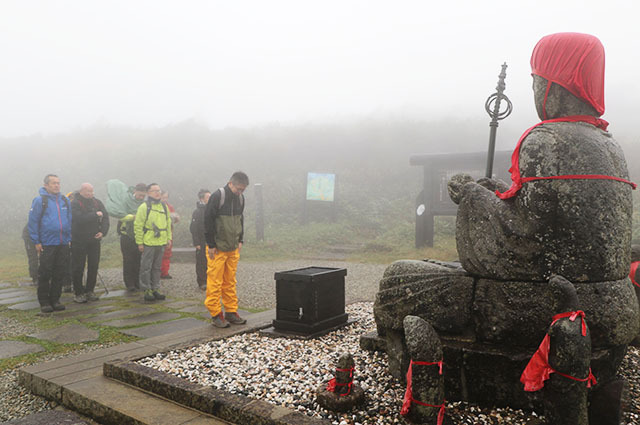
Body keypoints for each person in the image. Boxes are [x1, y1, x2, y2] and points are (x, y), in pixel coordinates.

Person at [204, 171, 249, 328]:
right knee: (215, 282)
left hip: (233, 247)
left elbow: (240, 219)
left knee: (230, 281)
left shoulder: (241, 199)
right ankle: (216, 314)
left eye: (243, 190)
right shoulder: (218, 196)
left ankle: (231, 311)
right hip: (217, 248)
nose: (240, 192)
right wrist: (210, 244)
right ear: (231, 183)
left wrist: (241, 239)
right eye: (238, 189)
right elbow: (208, 220)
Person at [27, 174, 72, 313]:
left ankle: (55, 299)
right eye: (53, 183)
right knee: (45, 272)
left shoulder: (65, 200)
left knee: (60, 272)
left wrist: (68, 238)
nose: (57, 185)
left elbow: (69, 220)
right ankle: (44, 301)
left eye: (58, 183)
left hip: (63, 242)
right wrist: (37, 241)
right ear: (46, 185)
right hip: (47, 242)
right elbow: (33, 222)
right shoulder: (40, 201)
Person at [70, 183, 110, 303]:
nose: (91, 194)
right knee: (78, 267)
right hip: (79, 240)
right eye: (88, 191)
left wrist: (103, 232)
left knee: (94, 266)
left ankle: (90, 291)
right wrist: (94, 214)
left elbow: (106, 218)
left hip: (94, 240)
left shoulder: (97, 202)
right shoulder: (75, 203)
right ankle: (78, 293)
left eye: (92, 191)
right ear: (81, 191)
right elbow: (78, 219)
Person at [134, 183, 172, 302]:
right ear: (148, 193)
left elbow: (168, 223)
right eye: (154, 191)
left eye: (159, 191)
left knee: (157, 267)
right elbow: (138, 225)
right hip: (148, 241)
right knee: (146, 267)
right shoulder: (144, 207)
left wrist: (168, 238)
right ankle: (146, 289)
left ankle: (155, 288)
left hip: (161, 241)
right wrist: (140, 242)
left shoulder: (164, 207)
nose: (157, 193)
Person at [111, 182, 147, 292]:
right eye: (139, 195)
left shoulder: (144, 203)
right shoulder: (125, 201)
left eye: (143, 196)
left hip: (140, 235)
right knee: (128, 260)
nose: (141, 197)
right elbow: (120, 216)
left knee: (138, 259)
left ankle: (137, 282)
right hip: (126, 234)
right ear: (134, 191)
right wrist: (133, 217)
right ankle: (129, 283)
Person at [190, 189, 211, 290]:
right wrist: (196, 242)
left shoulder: (212, 210)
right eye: (208, 197)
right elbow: (194, 228)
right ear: (202, 199)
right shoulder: (197, 212)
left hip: (211, 241)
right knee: (201, 262)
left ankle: (211, 281)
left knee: (211, 262)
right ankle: (202, 282)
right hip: (201, 241)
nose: (210, 199)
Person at [160, 190, 179, 279]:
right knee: (158, 254)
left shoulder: (170, 207)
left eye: (166, 197)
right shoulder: (155, 206)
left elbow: (174, 220)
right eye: (163, 197)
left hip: (169, 232)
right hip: (158, 233)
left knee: (167, 253)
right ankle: (158, 272)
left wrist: (176, 219)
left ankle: (165, 272)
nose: (164, 199)